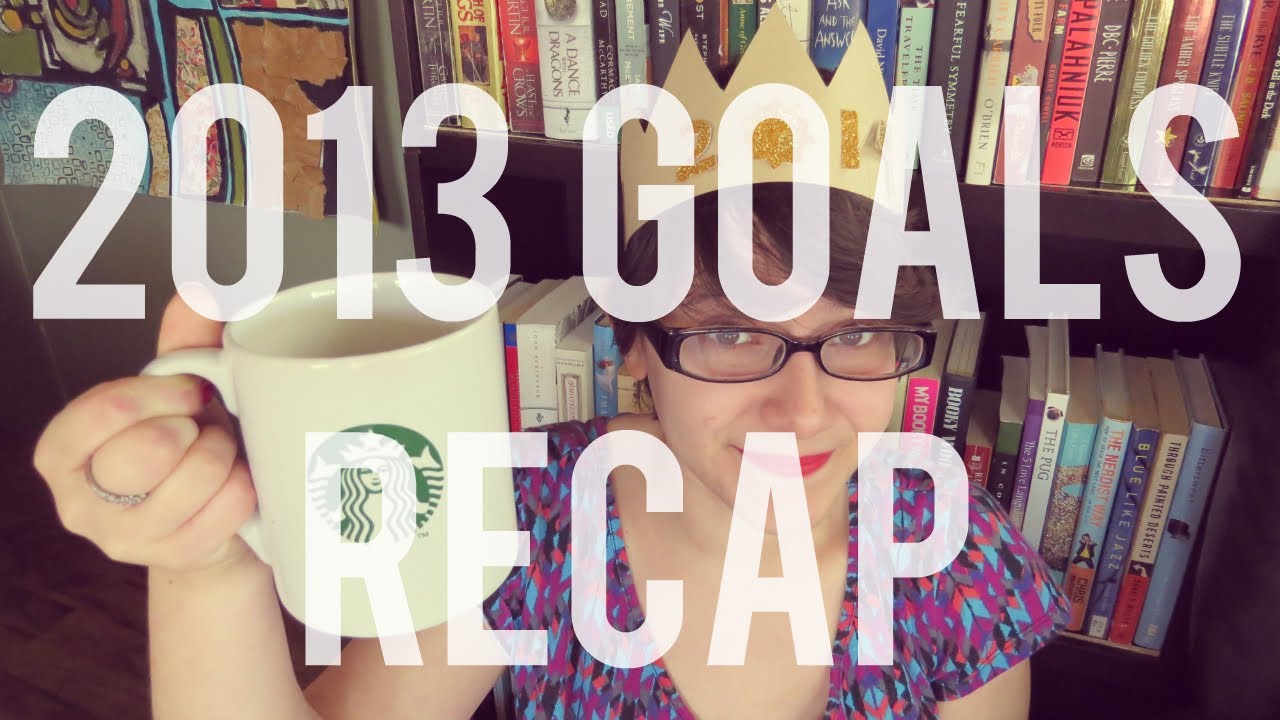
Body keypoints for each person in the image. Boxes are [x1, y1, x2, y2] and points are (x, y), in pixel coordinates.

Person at [33, 179, 1068, 720]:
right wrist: (207, 567)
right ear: (633, 353)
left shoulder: (955, 550)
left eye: (858, 336)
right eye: (727, 334)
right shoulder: (531, 512)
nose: (801, 410)